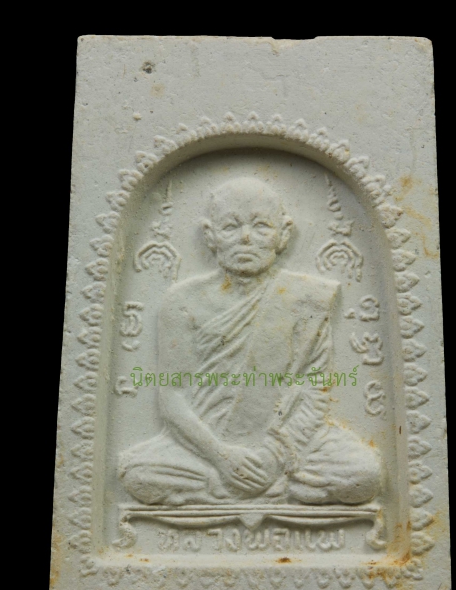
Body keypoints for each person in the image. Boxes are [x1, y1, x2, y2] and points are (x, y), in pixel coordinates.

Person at [119, 177, 380, 506]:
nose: (245, 238)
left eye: (261, 226)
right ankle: (270, 488)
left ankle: (232, 488)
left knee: (364, 474)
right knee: (136, 473)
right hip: (205, 444)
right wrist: (221, 456)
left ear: (283, 234)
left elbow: (315, 392)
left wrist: (274, 456)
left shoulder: (307, 299)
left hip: (288, 443)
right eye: (231, 226)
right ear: (210, 235)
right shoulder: (182, 301)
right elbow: (172, 398)